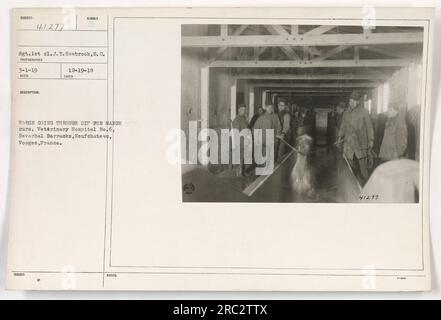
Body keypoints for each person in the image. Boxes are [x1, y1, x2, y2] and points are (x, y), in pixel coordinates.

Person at [337, 91, 374, 184]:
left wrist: (371, 140)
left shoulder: (364, 112)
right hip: (348, 144)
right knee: (350, 166)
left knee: (363, 167)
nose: (351, 103)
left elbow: (369, 127)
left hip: (360, 143)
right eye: (350, 101)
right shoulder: (346, 113)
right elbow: (343, 126)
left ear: (358, 102)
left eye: (353, 101)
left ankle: (366, 185)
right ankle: (353, 185)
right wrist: (339, 137)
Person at [232, 104, 250, 177]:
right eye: (242, 109)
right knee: (240, 157)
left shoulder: (244, 118)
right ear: (238, 110)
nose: (244, 111)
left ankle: (243, 171)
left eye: (244, 109)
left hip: (245, 141)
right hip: (240, 142)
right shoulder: (236, 120)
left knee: (244, 157)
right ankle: (239, 173)